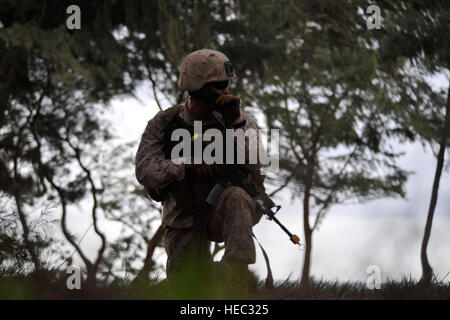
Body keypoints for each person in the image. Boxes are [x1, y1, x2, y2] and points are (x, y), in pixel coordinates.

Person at [135, 49, 266, 293]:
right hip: (182, 216)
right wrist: (186, 165)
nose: (226, 90)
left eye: (227, 84)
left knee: (237, 196)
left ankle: (237, 274)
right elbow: (144, 170)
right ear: (198, 87)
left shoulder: (240, 119)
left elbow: (258, 165)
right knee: (185, 288)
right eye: (219, 85)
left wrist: (236, 125)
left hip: (221, 210)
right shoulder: (164, 123)